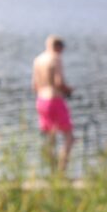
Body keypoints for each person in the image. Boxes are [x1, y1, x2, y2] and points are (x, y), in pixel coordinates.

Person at [32, 35, 75, 173]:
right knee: (69, 137)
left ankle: (51, 171)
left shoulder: (38, 60)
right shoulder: (55, 58)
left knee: (50, 137)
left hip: (41, 101)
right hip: (54, 99)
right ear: (58, 47)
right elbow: (58, 83)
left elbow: (34, 86)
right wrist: (68, 90)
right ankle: (61, 172)